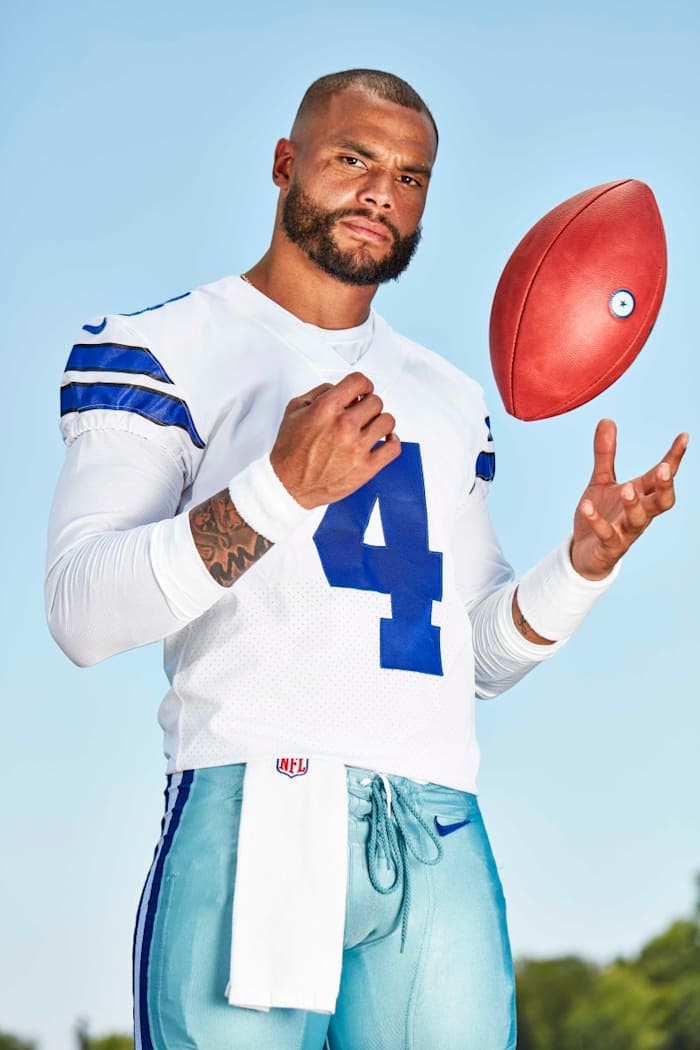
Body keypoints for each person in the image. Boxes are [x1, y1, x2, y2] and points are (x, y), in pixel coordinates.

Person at [45, 69, 687, 1050]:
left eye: (411, 176)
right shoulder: (164, 346)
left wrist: (581, 566)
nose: (382, 193)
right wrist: (278, 490)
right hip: (256, 804)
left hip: (436, 827)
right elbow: (83, 618)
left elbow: (473, 662)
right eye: (353, 160)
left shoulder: (445, 394)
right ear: (283, 163)